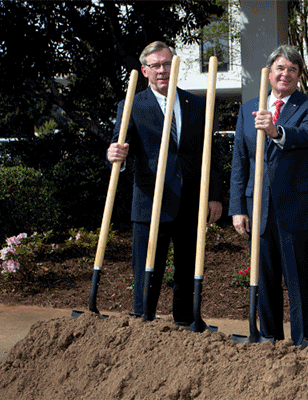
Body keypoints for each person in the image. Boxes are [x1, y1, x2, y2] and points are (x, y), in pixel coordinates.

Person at [106, 41, 224, 324]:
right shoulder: (132, 105)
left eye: (167, 64)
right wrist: (114, 154)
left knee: (187, 266)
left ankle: (185, 319)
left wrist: (215, 195)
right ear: (145, 70)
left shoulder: (197, 105)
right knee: (147, 269)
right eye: (156, 65)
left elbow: (211, 154)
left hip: (190, 200)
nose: (162, 70)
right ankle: (143, 318)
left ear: (176, 66)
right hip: (151, 202)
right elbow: (119, 146)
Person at [228, 44, 308, 347]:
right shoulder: (249, 108)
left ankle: (303, 341)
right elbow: (239, 160)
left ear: (298, 76)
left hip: (297, 208)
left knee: (299, 281)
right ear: (270, 72)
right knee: (265, 279)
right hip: (258, 206)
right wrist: (238, 207)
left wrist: (275, 131)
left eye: (292, 69)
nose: (285, 74)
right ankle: (270, 338)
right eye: (280, 68)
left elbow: (307, 136)